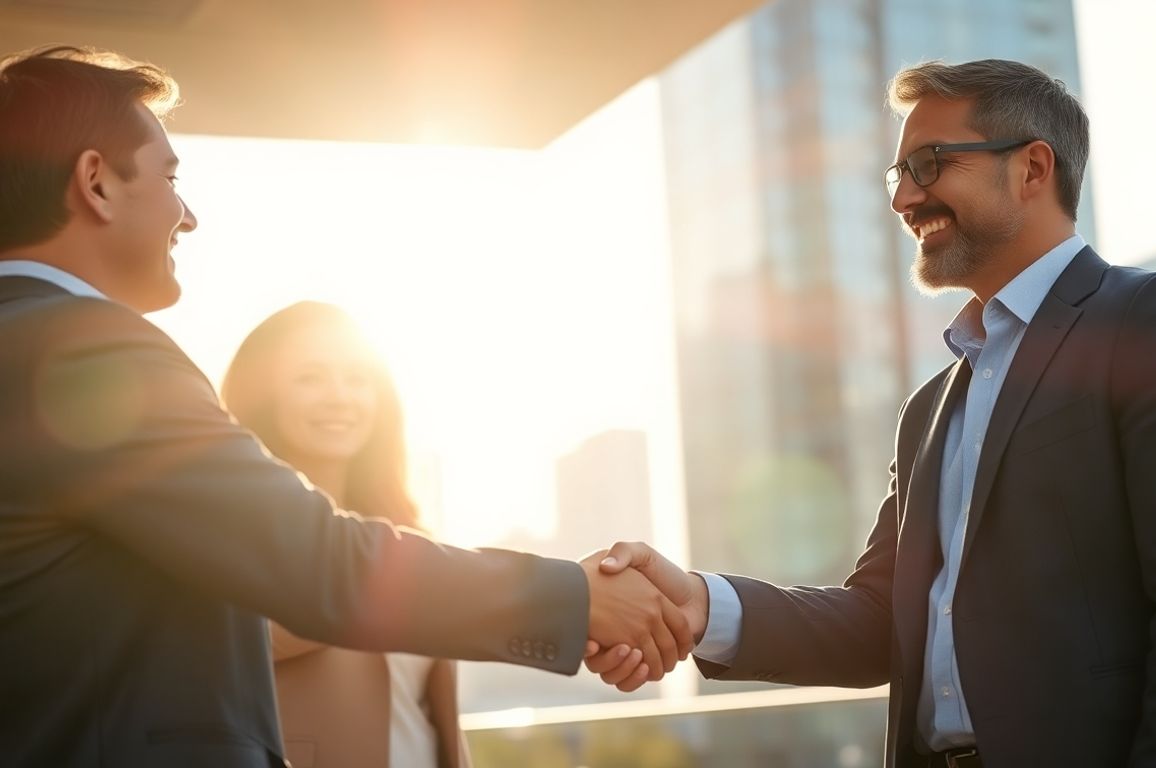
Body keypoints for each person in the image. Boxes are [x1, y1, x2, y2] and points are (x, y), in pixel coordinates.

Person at [0, 45, 688, 767]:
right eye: (171, 177)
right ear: (96, 183)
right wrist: (572, 598)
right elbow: (313, 559)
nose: (189, 215)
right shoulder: (82, 352)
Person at [587, 59, 1156, 767]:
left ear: (1032, 168)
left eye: (930, 164)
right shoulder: (930, 408)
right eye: (898, 175)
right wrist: (701, 606)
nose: (903, 199)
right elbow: (880, 622)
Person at [221, 301, 471, 768]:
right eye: (310, 378)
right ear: (263, 395)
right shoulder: (234, 526)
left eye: (358, 378)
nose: (339, 396)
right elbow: (234, 643)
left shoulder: (407, 536)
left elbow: (427, 714)